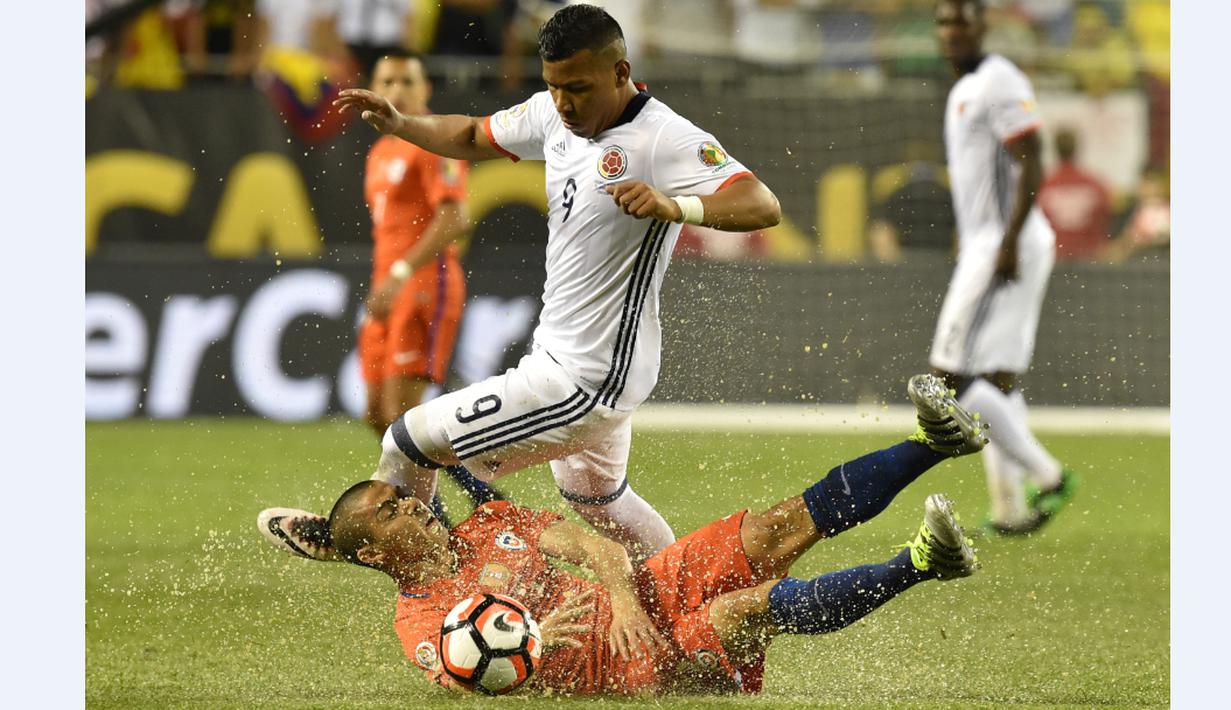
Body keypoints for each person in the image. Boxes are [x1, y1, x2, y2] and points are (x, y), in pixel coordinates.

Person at [258, 4, 782, 563]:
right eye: (553, 86)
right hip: (575, 360)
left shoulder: (664, 138)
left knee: (406, 440)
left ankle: (383, 548)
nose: (563, 102)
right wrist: (403, 123)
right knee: (599, 501)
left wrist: (675, 205)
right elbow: (470, 133)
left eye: (577, 87)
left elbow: (761, 204)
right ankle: (688, 604)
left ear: (621, 73)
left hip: (585, 379)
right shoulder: (553, 115)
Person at [322, 374, 987, 695]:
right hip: (628, 667)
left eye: (398, 498)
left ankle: (932, 443)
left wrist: (625, 597)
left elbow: (596, 548)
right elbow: (456, 680)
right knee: (746, 608)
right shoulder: (419, 620)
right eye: (387, 512)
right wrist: (531, 644)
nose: (408, 504)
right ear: (377, 554)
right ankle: (922, 563)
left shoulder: (490, 522)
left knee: (769, 530)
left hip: (637, 603)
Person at [927, 0, 1076, 535]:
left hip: (1005, 243)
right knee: (997, 384)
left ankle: (1050, 475)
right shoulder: (966, 88)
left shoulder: (998, 79)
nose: (951, 31)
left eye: (961, 21)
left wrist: (1006, 240)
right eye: (943, 22)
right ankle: (1010, 507)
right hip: (988, 243)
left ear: (982, 25)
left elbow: (1032, 154)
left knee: (949, 378)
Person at [357, 49, 504, 523]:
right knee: (377, 415)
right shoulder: (380, 152)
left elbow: (455, 217)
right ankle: (489, 504)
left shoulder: (432, 144)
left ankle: (441, 531)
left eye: (406, 81)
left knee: (403, 419)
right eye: (387, 81)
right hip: (389, 287)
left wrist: (399, 275)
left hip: (423, 283)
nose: (396, 90)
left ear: (424, 91)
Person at [1037, 128, 1113, 261]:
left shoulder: (1044, 185)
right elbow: (1106, 216)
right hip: (1089, 255)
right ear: (1077, 148)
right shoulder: (1095, 184)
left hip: (1054, 256)